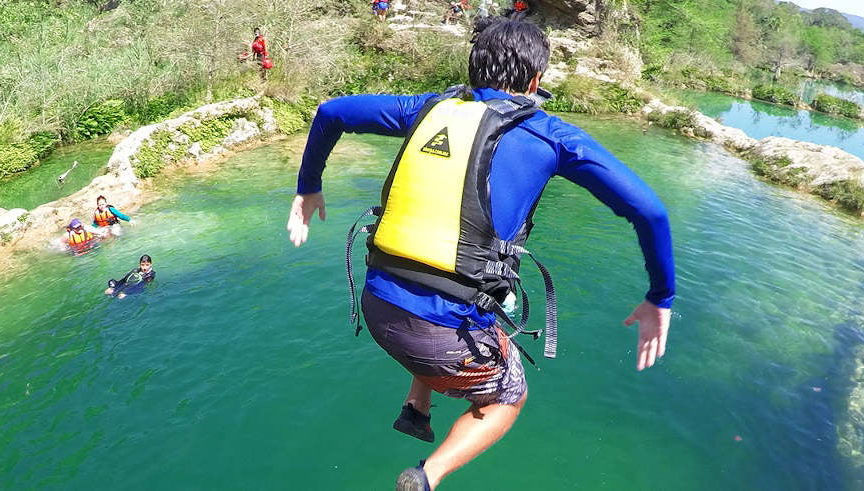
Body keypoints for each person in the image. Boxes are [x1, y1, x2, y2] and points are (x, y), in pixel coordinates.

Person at [286, 20, 675, 490]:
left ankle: (417, 407)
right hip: (439, 338)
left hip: (376, 307)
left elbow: (331, 112)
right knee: (509, 392)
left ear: (473, 70)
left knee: (478, 306)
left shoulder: (425, 109)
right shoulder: (550, 134)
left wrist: (308, 188)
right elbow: (651, 212)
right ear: (535, 82)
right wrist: (660, 297)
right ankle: (426, 476)